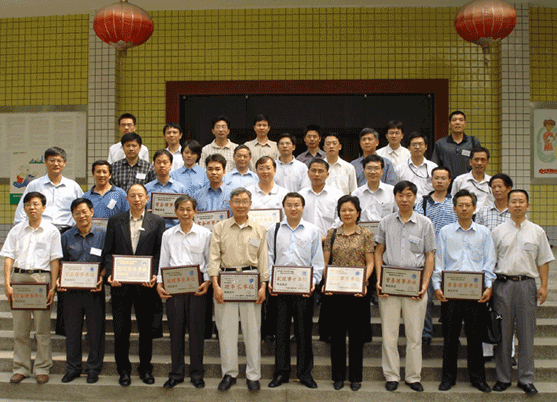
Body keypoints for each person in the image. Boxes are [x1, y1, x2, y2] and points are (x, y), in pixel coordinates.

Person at [491, 190, 554, 395]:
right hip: (503, 286)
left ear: (528, 205)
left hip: (527, 286)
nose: (517, 205)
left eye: (521, 201)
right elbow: (490, 262)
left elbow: (543, 260)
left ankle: (526, 379)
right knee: (503, 334)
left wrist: (543, 286)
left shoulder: (537, 231)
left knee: (527, 334)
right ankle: (503, 378)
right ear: (508, 205)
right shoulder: (497, 231)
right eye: (514, 201)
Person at [432, 190, 496, 393]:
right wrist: (437, 286)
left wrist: (489, 286)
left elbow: (489, 261)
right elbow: (439, 262)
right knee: (450, 337)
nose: (464, 208)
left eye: (468, 205)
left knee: (475, 338)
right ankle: (448, 378)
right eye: (460, 205)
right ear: (454, 208)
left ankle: (478, 379)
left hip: (475, 293)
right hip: (451, 293)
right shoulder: (445, 232)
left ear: (474, 208)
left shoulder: (484, 233)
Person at [375, 181, 436, 392]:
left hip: (414, 284)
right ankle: (391, 375)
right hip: (390, 284)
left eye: (408, 195)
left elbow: (430, 255)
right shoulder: (385, 222)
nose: (404, 199)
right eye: (400, 195)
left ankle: (413, 376)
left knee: (414, 335)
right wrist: (379, 279)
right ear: (395, 197)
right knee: (389, 334)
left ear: (415, 198)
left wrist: (425, 284)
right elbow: (378, 251)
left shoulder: (425, 223)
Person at [103, 184, 166, 387]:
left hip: (145, 285)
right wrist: (111, 274)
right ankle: (123, 370)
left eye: (140, 195)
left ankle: (145, 368)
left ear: (147, 198)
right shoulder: (115, 221)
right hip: (120, 284)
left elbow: (160, 252)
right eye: (133, 195)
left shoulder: (157, 221)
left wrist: (154, 274)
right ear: (127, 199)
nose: (137, 199)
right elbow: (108, 251)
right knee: (121, 330)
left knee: (146, 330)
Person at [207, 188, 269, 392]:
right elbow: (214, 257)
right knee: (226, 331)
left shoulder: (259, 229)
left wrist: (263, 285)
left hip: (251, 281)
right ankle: (229, 373)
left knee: (253, 331)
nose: (240, 205)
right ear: (230, 203)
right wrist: (215, 285)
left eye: (244, 201)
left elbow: (263, 260)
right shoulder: (220, 228)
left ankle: (253, 375)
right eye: (236, 201)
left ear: (250, 203)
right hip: (226, 281)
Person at [2, 191, 62, 384]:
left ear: (44, 207)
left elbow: (55, 260)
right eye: (28, 204)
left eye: (36, 204)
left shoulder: (52, 231)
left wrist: (52, 287)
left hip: (41, 279)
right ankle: (21, 367)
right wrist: (7, 283)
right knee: (20, 329)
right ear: (24, 208)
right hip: (19, 279)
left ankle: (42, 367)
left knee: (42, 329)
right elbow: (8, 258)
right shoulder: (16, 230)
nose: (32, 207)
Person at [266, 193, 324, 389]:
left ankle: (305, 373)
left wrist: (313, 282)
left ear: (303, 207)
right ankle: (281, 373)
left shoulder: (313, 230)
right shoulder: (274, 229)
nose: (293, 208)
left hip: (303, 289)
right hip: (280, 289)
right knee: (281, 332)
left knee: (303, 332)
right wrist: (271, 281)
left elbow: (317, 260)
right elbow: (269, 257)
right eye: (289, 205)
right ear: (283, 207)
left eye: (297, 205)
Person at [156, 195, 211, 389]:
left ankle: (197, 373)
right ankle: (176, 373)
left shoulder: (205, 234)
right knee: (176, 331)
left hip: (197, 288)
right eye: (181, 209)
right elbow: (164, 260)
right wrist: (159, 283)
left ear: (195, 212)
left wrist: (207, 282)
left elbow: (209, 261)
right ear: (175, 212)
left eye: (189, 209)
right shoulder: (168, 234)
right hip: (174, 287)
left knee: (196, 332)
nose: (185, 213)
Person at [323, 195, 374, 391]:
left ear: (358, 212)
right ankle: (337, 377)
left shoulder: (366, 234)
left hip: (357, 293)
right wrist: (326, 283)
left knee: (356, 336)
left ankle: (355, 377)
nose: (347, 213)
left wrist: (363, 283)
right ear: (339, 213)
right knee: (337, 336)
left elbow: (370, 263)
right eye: (343, 210)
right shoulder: (332, 234)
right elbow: (325, 262)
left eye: (351, 210)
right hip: (336, 292)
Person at [57, 198, 106, 384]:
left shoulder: (103, 234)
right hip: (72, 292)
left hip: (94, 290)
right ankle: (73, 368)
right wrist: (60, 278)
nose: (81, 216)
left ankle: (93, 368)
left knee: (95, 331)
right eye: (77, 213)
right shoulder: (66, 236)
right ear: (73, 215)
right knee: (72, 331)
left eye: (84, 211)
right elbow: (61, 261)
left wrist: (102, 276)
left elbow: (108, 259)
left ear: (92, 212)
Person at [415, 166, 458, 345]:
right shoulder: (423, 203)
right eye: (436, 178)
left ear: (449, 181)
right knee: (425, 297)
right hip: (428, 257)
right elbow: (417, 228)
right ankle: (426, 332)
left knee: (451, 297)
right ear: (431, 181)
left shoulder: (456, 203)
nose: (440, 181)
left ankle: (450, 332)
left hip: (450, 258)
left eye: (443, 178)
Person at [475, 173, 513, 361]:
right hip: (486, 267)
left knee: (508, 313)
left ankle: (509, 352)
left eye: (500, 186)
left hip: (508, 268)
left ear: (509, 189)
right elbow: (476, 238)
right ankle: (486, 350)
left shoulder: (514, 213)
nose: (497, 190)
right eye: (494, 187)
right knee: (484, 311)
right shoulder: (483, 212)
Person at [14, 147, 83, 230]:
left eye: (59, 161)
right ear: (45, 162)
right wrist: (20, 229)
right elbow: (22, 209)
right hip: (41, 230)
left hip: (67, 231)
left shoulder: (73, 186)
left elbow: (82, 208)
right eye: (52, 160)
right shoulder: (34, 185)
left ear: (64, 163)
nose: (56, 164)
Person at [145, 149, 187, 229]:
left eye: (165, 162)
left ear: (171, 165)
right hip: (152, 230)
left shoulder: (180, 188)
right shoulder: (146, 188)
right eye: (158, 162)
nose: (162, 165)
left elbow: (185, 211)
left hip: (174, 229)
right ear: (154, 165)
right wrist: (146, 214)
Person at [299, 158, 340, 239]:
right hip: (304, 241)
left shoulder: (337, 195)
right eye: (313, 171)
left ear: (327, 174)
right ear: (308, 173)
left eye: (321, 171)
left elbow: (340, 219)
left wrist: (328, 237)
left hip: (330, 241)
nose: (317, 174)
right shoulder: (301, 195)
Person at [431, 111, 481, 177]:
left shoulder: (473, 142)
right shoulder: (441, 143)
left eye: (461, 120)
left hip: (468, 181)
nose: (457, 123)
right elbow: (435, 165)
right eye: (454, 120)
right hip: (447, 181)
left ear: (465, 124)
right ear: (449, 124)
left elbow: (479, 162)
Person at [352, 154, 396, 222]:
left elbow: (397, 214)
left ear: (382, 171)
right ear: (363, 170)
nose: (373, 172)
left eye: (376, 168)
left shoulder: (392, 192)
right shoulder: (356, 194)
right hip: (362, 228)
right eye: (369, 168)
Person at [395, 132, 438, 199]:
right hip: (407, 204)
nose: (417, 147)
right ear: (408, 148)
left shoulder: (433, 167)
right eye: (414, 144)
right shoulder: (399, 169)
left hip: (429, 204)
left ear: (426, 147)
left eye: (420, 144)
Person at [451, 146, 494, 211]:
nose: (479, 163)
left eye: (483, 160)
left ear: (487, 162)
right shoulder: (459, 180)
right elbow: (453, 202)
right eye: (476, 159)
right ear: (470, 162)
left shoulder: (492, 182)